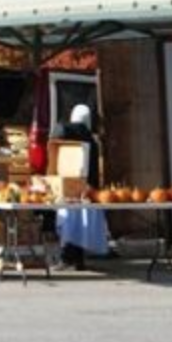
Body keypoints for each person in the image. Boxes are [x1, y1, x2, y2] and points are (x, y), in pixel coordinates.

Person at [55, 104, 108, 270]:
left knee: (68, 223)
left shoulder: (63, 130)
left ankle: (67, 258)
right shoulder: (91, 140)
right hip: (86, 190)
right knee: (79, 224)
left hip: (67, 185)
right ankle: (78, 259)